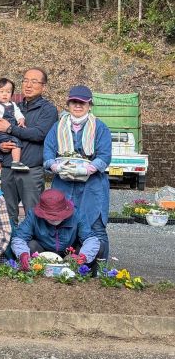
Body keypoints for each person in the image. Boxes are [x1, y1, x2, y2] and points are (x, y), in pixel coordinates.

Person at [43, 85, 111, 270]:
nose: (78, 106)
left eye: (82, 103)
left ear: (89, 105)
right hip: (63, 184)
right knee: (62, 224)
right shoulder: (57, 127)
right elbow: (48, 152)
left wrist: (88, 168)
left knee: (95, 227)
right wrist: (54, 166)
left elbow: (105, 156)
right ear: (68, 104)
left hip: (92, 186)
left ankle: (99, 270)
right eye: (74, 102)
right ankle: (64, 267)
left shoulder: (100, 127)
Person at [0, 67, 58, 224]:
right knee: (7, 215)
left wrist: (10, 128)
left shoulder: (48, 110)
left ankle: (31, 241)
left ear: (43, 86)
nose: (28, 85)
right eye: (26, 81)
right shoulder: (13, 107)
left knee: (33, 214)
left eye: (34, 82)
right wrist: (0, 145)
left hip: (30, 170)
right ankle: (10, 240)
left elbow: (39, 134)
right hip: (8, 168)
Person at [11, 188, 100, 270]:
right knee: (31, 245)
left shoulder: (77, 214)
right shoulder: (33, 215)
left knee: (96, 248)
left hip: (70, 253)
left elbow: (90, 239)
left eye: (57, 216)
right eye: (50, 216)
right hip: (43, 253)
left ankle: (88, 274)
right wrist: (23, 254)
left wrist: (83, 256)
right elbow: (19, 238)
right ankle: (34, 272)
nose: (54, 219)